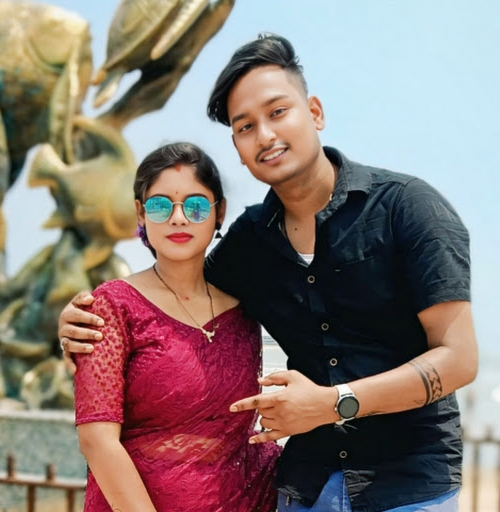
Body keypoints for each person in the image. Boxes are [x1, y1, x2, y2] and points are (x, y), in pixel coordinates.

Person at [59, 35, 478, 512]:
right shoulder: (249, 243)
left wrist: (333, 402)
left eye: (278, 112)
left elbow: (460, 359)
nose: (265, 135)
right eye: (245, 126)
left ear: (314, 112)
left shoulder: (408, 208)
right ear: (238, 148)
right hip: (305, 487)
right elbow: (177, 296)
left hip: (409, 485)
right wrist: (83, 326)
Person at [71, 142, 280, 512]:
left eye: (196, 206)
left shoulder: (243, 313)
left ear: (219, 212)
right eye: (160, 205)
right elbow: (97, 440)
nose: (179, 218)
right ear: (141, 213)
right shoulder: (113, 305)